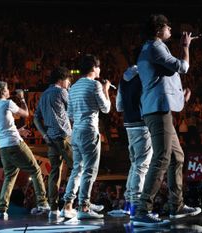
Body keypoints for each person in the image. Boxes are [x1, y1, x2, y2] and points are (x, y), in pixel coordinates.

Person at [133, 14, 201, 227]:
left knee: (177, 157)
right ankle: (143, 210)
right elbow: (182, 67)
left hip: (160, 109)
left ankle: (176, 206)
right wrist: (186, 47)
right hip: (157, 109)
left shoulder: (151, 47)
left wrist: (181, 96)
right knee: (162, 157)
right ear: (159, 29)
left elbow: (164, 77)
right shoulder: (155, 47)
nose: (171, 28)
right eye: (168, 26)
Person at [0, 81, 50, 219]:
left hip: (3, 147)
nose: (9, 90)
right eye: (7, 89)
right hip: (15, 144)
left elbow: (3, 127)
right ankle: (42, 203)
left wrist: (18, 130)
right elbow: (26, 114)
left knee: (9, 177)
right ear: (3, 92)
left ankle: (2, 210)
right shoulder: (7, 103)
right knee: (35, 170)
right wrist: (22, 98)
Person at [62, 54, 111, 219]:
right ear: (94, 68)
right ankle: (84, 206)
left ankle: (68, 204)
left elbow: (69, 114)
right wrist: (105, 90)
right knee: (89, 170)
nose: (100, 70)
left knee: (77, 169)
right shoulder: (95, 85)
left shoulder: (73, 87)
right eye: (99, 67)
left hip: (75, 132)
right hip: (89, 131)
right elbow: (106, 108)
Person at [33, 66, 74, 219]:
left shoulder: (43, 95)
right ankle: (78, 205)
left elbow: (36, 117)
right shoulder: (62, 92)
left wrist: (44, 134)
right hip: (64, 137)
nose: (69, 83)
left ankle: (54, 209)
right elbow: (73, 111)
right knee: (78, 168)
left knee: (54, 174)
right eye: (68, 80)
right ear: (61, 79)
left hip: (50, 138)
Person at [115, 64, 153, 218]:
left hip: (128, 125)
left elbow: (118, 106)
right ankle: (136, 206)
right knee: (141, 165)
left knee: (135, 164)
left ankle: (129, 203)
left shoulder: (123, 78)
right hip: (142, 124)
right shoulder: (145, 75)